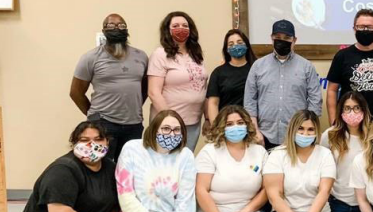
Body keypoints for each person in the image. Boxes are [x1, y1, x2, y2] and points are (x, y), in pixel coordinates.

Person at [70, 14, 148, 161]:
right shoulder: (91, 57)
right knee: (101, 166)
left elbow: (145, 88)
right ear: (103, 30)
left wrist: (132, 106)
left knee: (128, 168)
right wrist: (93, 116)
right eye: (111, 25)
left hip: (134, 124)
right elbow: (75, 92)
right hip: (104, 123)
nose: (117, 28)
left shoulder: (141, 56)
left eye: (121, 25)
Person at [244, 20, 323, 150]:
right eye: (278, 38)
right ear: (271, 38)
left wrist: (307, 132)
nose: (282, 41)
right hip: (264, 136)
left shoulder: (306, 67)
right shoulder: (258, 66)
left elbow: (315, 101)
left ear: (294, 40)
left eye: (287, 38)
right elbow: (249, 102)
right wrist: (255, 131)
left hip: (297, 136)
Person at [319, 91, 372, 212]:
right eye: (347, 108)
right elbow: (321, 167)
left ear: (364, 110)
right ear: (341, 111)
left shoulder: (372, 135)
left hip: (364, 204)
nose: (352, 113)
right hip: (339, 203)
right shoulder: (330, 135)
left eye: (356, 108)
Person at [148, 11, 209, 151]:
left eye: (185, 25)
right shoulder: (160, 54)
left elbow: (203, 88)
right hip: (167, 124)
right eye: (175, 25)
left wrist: (207, 118)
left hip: (193, 122)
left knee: (184, 162)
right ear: (167, 30)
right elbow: (153, 92)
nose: (181, 28)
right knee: (165, 164)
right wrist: (171, 121)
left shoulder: (197, 55)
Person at [327, 9, 373, 123]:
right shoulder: (342, 56)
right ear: (354, 29)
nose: (365, 30)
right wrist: (333, 123)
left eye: (370, 27)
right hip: (349, 122)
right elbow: (332, 90)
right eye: (361, 27)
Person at [206, 29, 257, 121]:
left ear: (247, 45)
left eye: (239, 42)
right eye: (231, 44)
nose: (236, 46)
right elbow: (213, 103)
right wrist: (216, 129)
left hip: (252, 124)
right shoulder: (218, 72)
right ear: (227, 49)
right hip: (226, 125)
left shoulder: (256, 70)